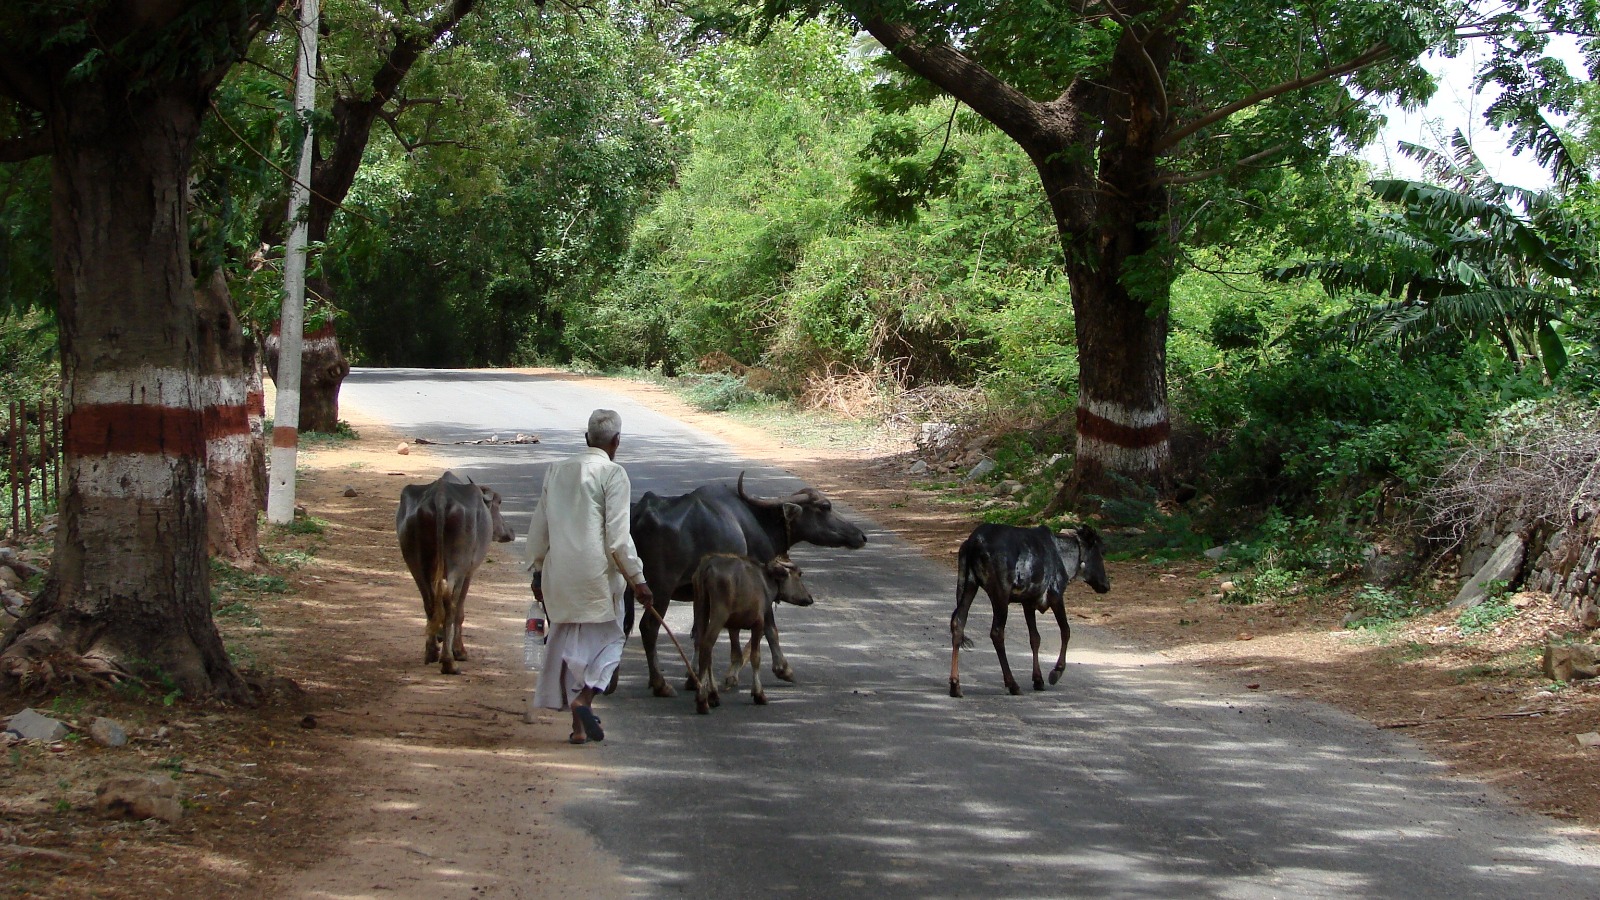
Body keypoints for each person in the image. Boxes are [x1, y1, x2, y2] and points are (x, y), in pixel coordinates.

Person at [525, 409, 655, 745]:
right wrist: (638, 579)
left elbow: (539, 528)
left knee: (568, 645)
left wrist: (538, 572)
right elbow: (617, 539)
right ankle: (585, 699)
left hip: (558, 576)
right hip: (596, 579)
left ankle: (578, 728)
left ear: (586, 439)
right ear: (616, 442)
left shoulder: (555, 470)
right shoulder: (614, 474)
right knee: (611, 641)